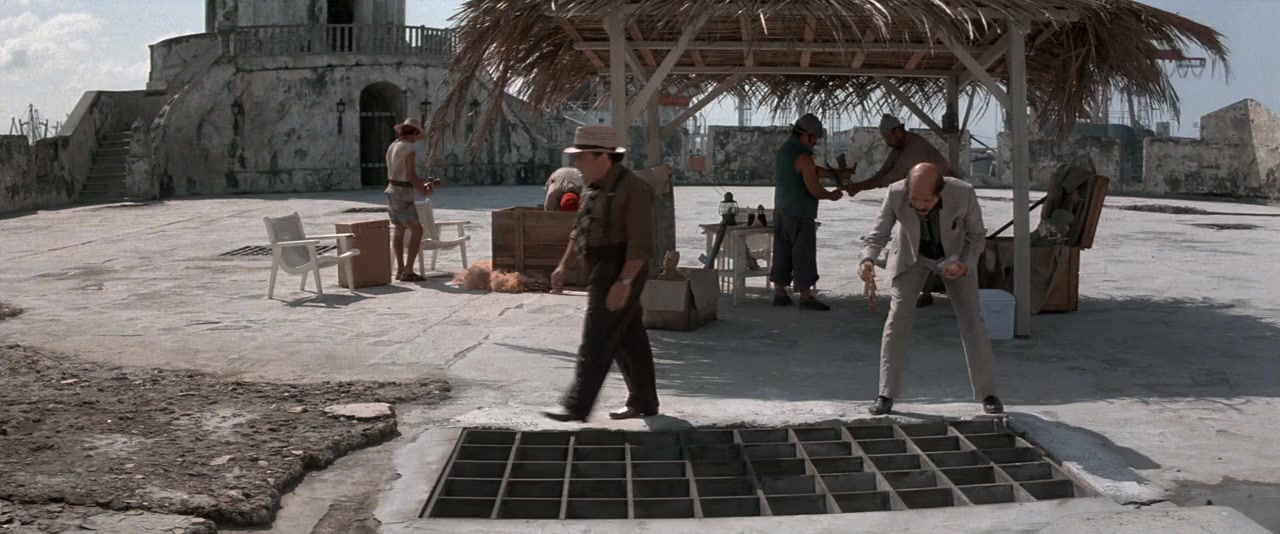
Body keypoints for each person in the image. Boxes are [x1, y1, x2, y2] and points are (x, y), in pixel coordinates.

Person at [858, 162, 1003, 416]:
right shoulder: (895, 193)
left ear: (940, 192)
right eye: (914, 199)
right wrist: (867, 259)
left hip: (954, 257)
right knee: (897, 319)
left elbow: (976, 236)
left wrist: (965, 264)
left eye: (927, 200)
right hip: (911, 257)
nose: (920, 205)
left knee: (972, 320)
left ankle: (988, 393)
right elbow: (877, 234)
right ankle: (885, 394)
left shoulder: (963, 193)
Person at [543, 125, 660, 423]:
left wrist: (624, 282)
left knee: (596, 338)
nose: (576, 164)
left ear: (604, 156)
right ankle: (644, 400)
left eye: (582, 157)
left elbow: (641, 244)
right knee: (628, 339)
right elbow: (579, 230)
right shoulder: (591, 187)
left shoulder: (633, 188)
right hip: (597, 266)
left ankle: (576, 406)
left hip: (619, 267)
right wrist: (564, 265)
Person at [848, 114, 958, 308]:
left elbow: (892, 177)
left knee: (933, 244)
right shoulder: (900, 147)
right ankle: (922, 289)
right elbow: (883, 172)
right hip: (925, 200)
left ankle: (933, 290)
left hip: (943, 201)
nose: (887, 142)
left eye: (888, 137)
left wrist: (859, 187)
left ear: (897, 132)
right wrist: (858, 186)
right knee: (918, 242)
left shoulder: (914, 148)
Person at [770, 113, 844, 311]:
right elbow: (814, 189)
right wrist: (831, 195)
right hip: (800, 212)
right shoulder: (804, 156)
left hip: (781, 210)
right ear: (803, 134)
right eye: (813, 138)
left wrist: (832, 173)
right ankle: (805, 296)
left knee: (782, 252)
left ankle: (780, 293)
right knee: (803, 254)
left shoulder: (785, 151)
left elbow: (810, 170)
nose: (814, 142)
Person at [384, 118, 437, 282]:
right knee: (417, 230)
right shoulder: (408, 148)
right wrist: (423, 190)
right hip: (402, 194)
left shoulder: (393, 146)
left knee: (399, 229)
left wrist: (422, 184)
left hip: (391, 191)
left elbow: (401, 175)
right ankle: (408, 270)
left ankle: (400, 269)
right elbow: (410, 175)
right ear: (413, 132)